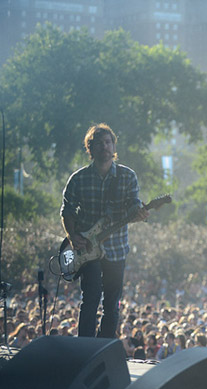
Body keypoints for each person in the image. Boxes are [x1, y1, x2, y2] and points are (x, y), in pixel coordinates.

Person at [61, 123, 149, 338]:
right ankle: (85, 347)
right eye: (99, 144)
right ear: (90, 148)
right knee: (90, 298)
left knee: (112, 303)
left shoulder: (128, 176)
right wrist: (73, 237)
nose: (105, 147)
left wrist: (138, 213)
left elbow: (133, 204)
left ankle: (103, 347)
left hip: (116, 248)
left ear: (114, 146)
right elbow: (67, 210)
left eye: (108, 142)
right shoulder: (78, 178)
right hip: (88, 248)